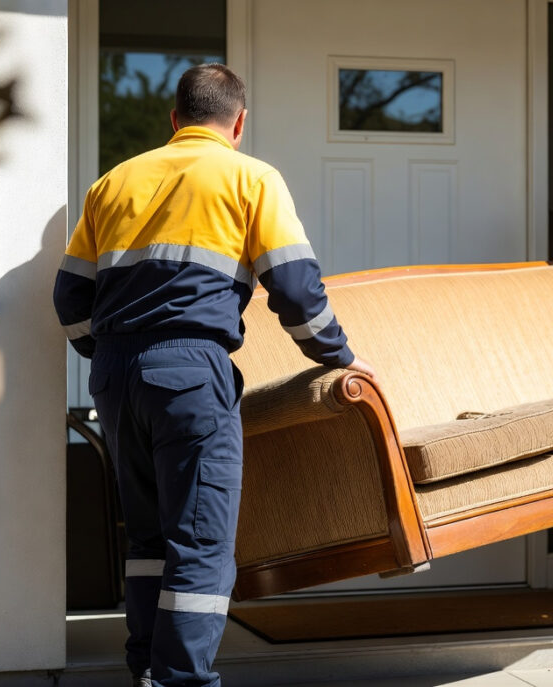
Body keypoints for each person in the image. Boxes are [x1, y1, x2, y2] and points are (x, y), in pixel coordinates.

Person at [53, 63, 374, 687]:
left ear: (175, 120)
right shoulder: (251, 177)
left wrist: (112, 358)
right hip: (191, 373)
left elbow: (70, 300)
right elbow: (297, 290)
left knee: (147, 540)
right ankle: (181, 681)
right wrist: (337, 356)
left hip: (116, 379)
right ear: (239, 123)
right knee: (200, 543)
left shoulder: (113, 182)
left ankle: (147, 666)